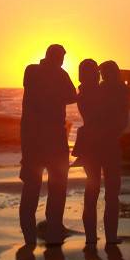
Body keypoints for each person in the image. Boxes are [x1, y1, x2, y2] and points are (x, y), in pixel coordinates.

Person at [19, 44, 77, 245]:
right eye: (60, 58)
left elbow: (71, 96)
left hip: (40, 138)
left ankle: (44, 233)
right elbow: (72, 96)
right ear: (54, 57)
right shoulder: (38, 71)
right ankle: (37, 235)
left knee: (47, 186)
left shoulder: (36, 71)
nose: (61, 62)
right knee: (47, 185)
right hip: (45, 137)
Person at [82, 61, 130, 244]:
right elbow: (123, 120)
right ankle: (110, 237)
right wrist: (114, 134)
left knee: (92, 191)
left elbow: (89, 116)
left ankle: (91, 238)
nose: (101, 76)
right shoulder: (121, 90)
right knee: (111, 194)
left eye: (102, 72)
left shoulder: (96, 90)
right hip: (110, 145)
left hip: (92, 146)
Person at [70, 59, 100, 169]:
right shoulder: (91, 90)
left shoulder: (87, 91)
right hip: (94, 132)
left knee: (92, 174)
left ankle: (83, 156)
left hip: (92, 132)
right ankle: (83, 156)